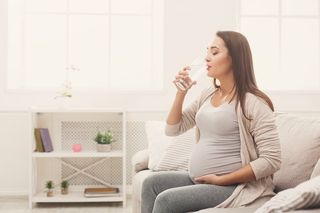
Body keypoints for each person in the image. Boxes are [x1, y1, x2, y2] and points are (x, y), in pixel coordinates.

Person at [141, 31, 281, 213]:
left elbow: (272, 160)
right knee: (150, 184)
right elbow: (172, 129)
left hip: (234, 187)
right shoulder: (208, 94)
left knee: (166, 201)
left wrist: (224, 179)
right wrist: (180, 93)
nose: (207, 58)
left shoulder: (254, 103)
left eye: (215, 53)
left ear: (235, 59)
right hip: (201, 178)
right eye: (207, 52)